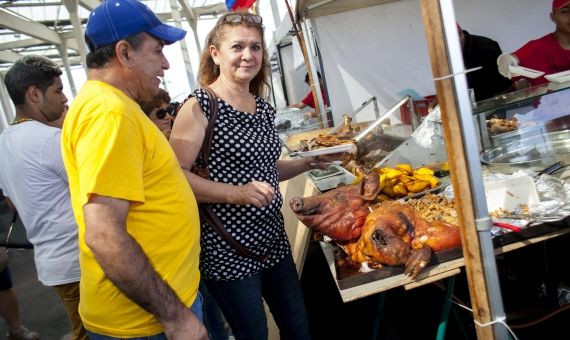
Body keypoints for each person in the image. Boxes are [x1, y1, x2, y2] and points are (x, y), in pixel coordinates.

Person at [170, 11, 334, 340]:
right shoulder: (200, 105)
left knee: (298, 326)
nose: (248, 55)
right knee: (254, 334)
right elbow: (175, 177)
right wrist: (236, 193)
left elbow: (266, 168)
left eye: (256, 47)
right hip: (227, 250)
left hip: (272, 242)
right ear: (215, 53)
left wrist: (308, 163)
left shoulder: (262, 107)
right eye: (238, 47)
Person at [60, 0, 206, 338]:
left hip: (155, 310)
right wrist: (175, 317)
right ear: (124, 53)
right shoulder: (110, 114)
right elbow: (104, 233)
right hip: (146, 322)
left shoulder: (112, 105)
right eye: (157, 51)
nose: (166, 64)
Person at [0, 56, 86, 340]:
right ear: (34, 94)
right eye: (58, 91)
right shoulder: (49, 140)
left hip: (52, 262)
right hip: (78, 260)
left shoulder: (4, 143)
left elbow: (13, 203)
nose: (64, 99)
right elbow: (90, 191)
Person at [497, 0, 570, 86]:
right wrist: (505, 60)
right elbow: (512, 59)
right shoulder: (538, 48)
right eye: (565, 11)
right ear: (553, 16)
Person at [458, 25, 513, 101]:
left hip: (494, 104)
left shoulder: (487, 47)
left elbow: (503, 86)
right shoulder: (451, 53)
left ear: (460, 35)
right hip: (468, 105)